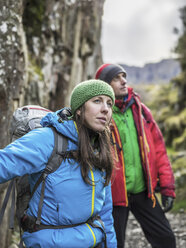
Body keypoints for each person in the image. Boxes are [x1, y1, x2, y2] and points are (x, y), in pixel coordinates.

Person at [0, 79, 117, 248]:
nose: (105, 109)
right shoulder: (48, 139)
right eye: (97, 101)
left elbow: (105, 212)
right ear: (78, 109)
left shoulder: (100, 148)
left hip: (93, 242)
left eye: (109, 103)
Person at [95, 64, 176, 248]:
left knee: (166, 239)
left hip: (143, 191)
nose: (124, 81)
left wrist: (167, 187)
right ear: (105, 84)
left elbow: (159, 150)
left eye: (124, 76)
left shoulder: (140, 111)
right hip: (114, 197)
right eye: (117, 78)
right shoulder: (100, 114)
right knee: (112, 245)